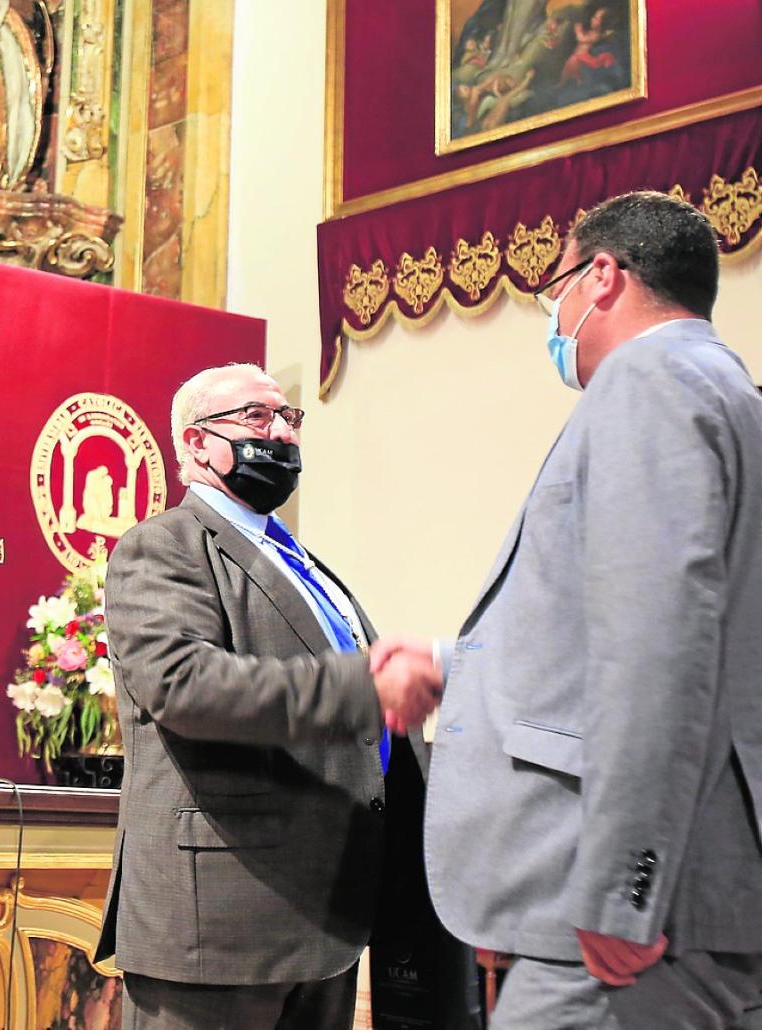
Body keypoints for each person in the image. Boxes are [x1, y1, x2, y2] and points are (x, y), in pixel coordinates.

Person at [375, 191, 762, 1027]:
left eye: (555, 289)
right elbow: (650, 617)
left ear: (604, 277)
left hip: (630, 936)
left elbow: (660, 648)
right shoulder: (723, 390)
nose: (554, 314)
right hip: (682, 911)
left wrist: (626, 889)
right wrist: (451, 662)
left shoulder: (651, 378)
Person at [93, 362, 455, 1029]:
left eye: (289, 418)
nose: (282, 434)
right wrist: (365, 684)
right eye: (257, 418)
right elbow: (184, 685)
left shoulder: (303, 562)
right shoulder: (161, 546)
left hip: (321, 918)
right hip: (220, 925)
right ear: (196, 443)